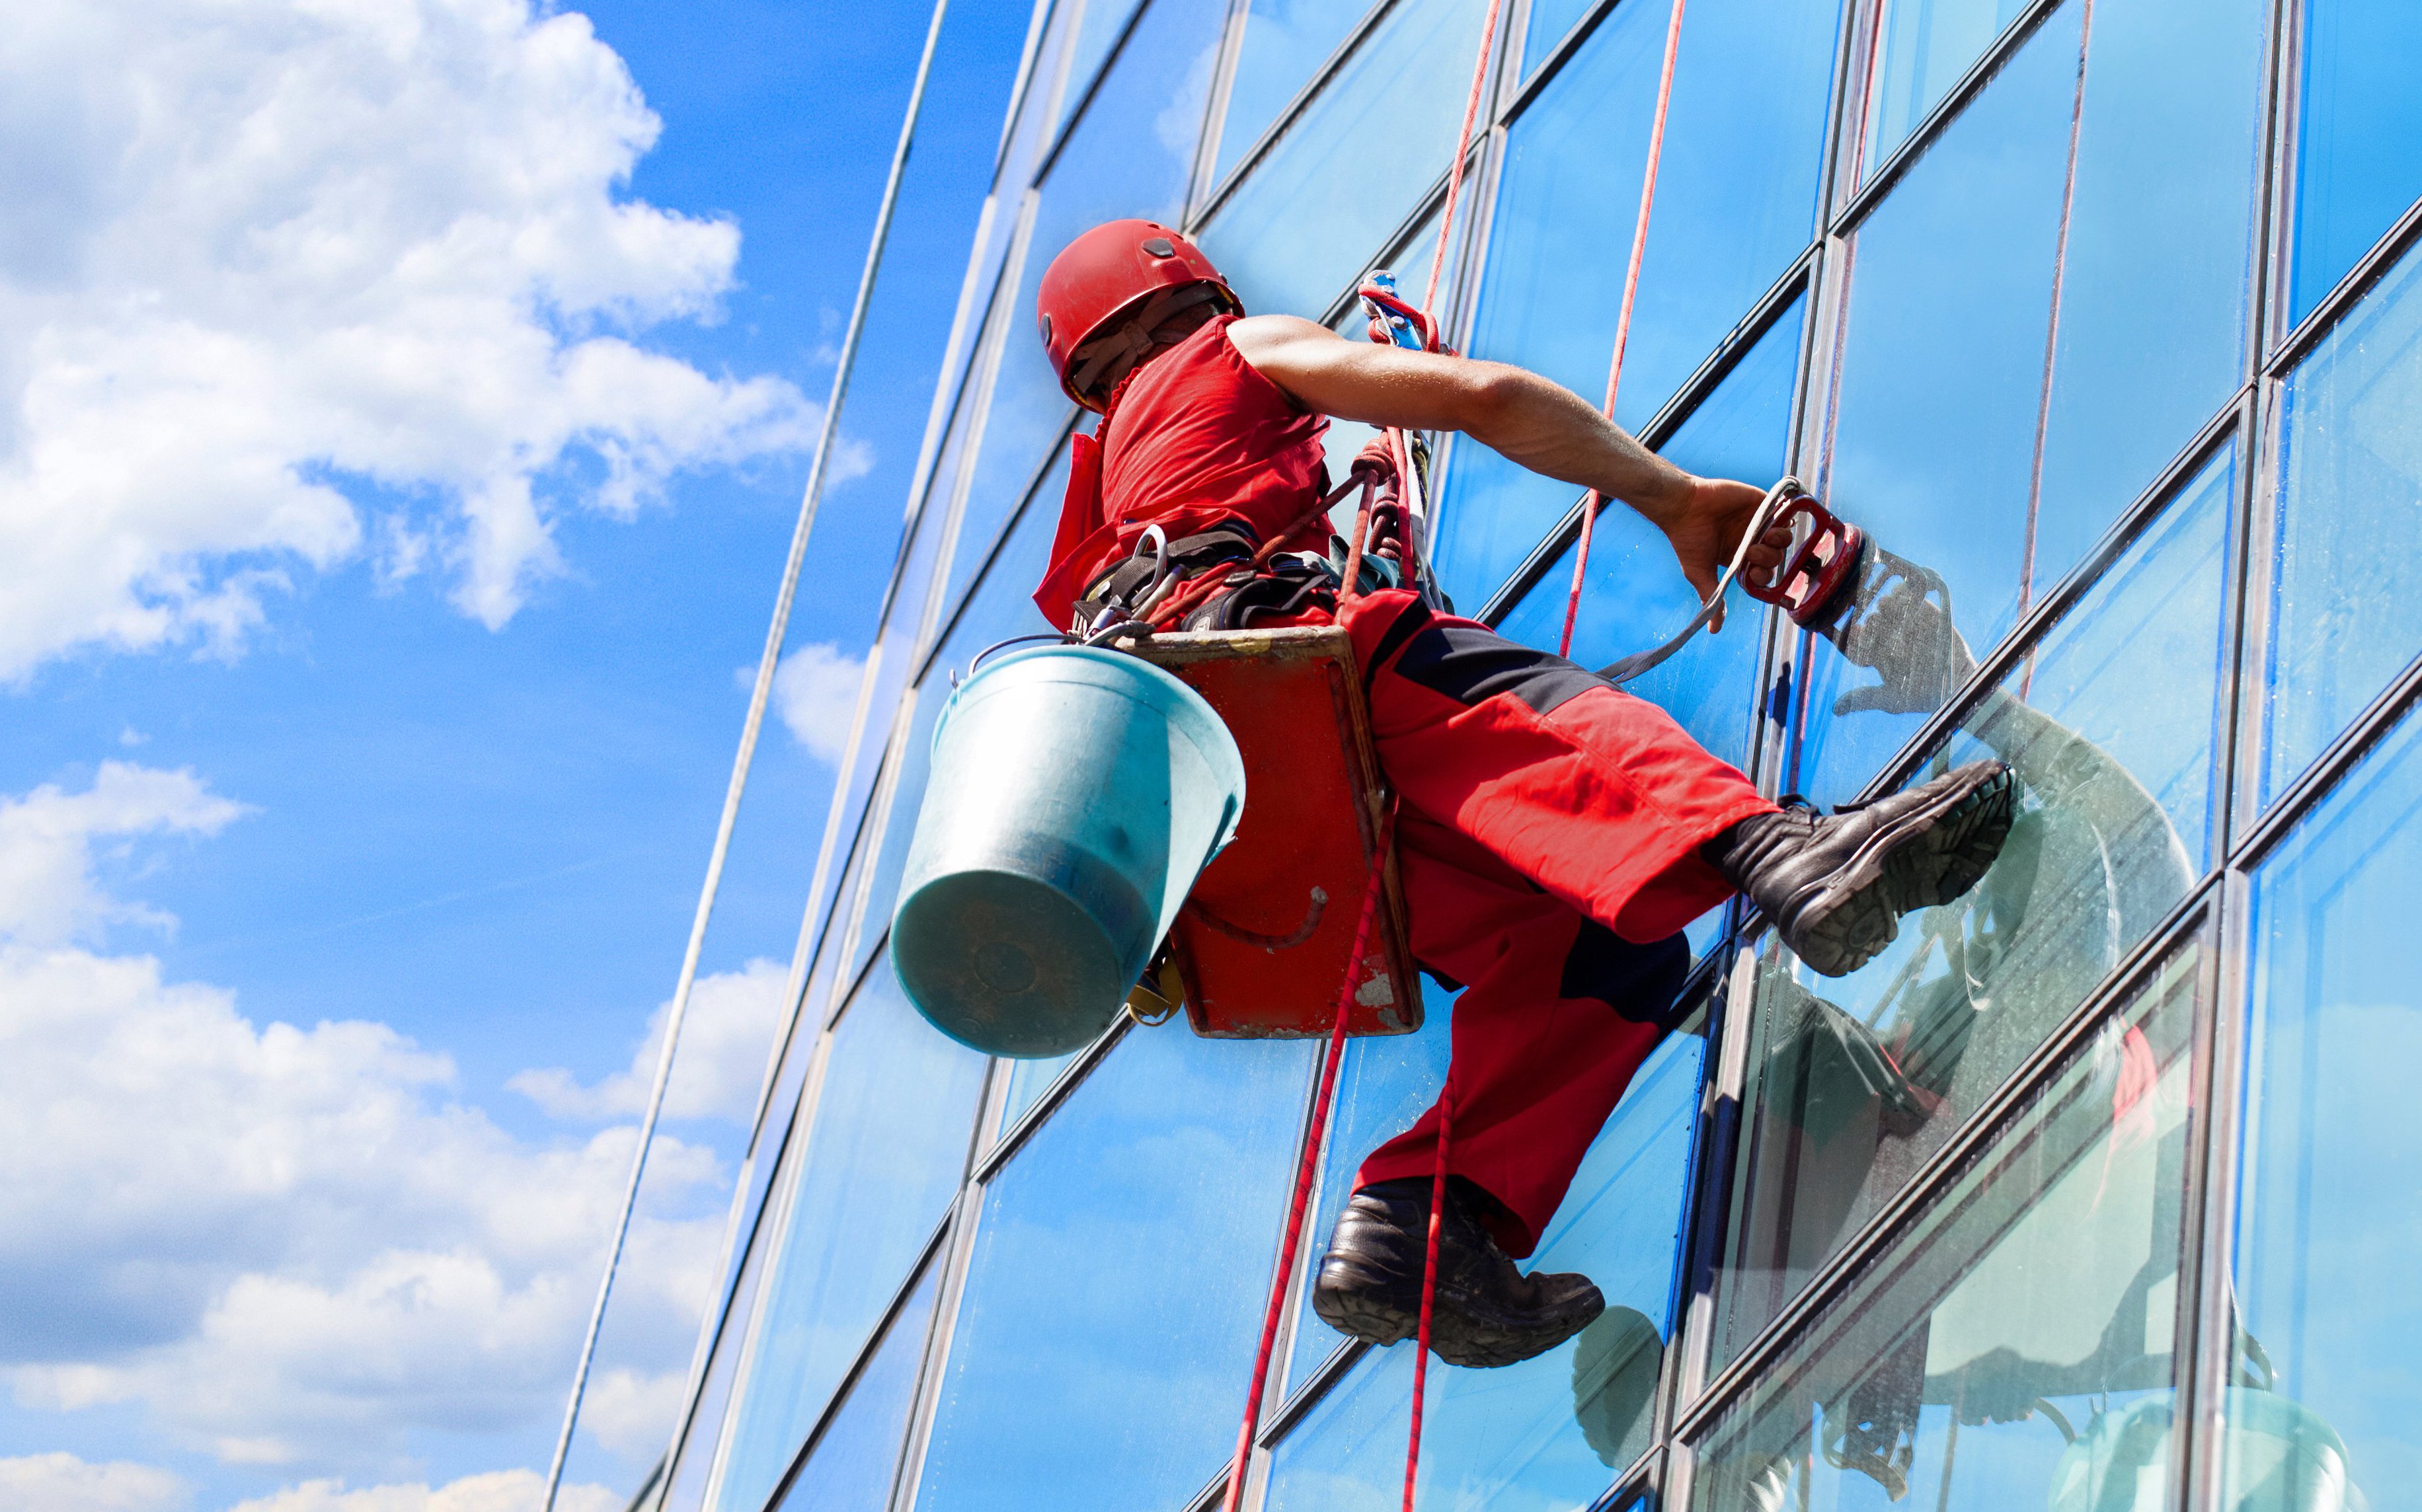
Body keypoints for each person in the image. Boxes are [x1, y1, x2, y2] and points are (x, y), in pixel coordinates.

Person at [1028, 219, 2016, 1369]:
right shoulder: (1237, 350)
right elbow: (1488, 397)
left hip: (1231, 832)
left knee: (1596, 954)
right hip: (1266, 665)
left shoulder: (1102, 493)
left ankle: (1425, 1224)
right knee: (1532, 716)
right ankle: (1790, 852)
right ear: (1190, 297)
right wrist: (1671, 498)